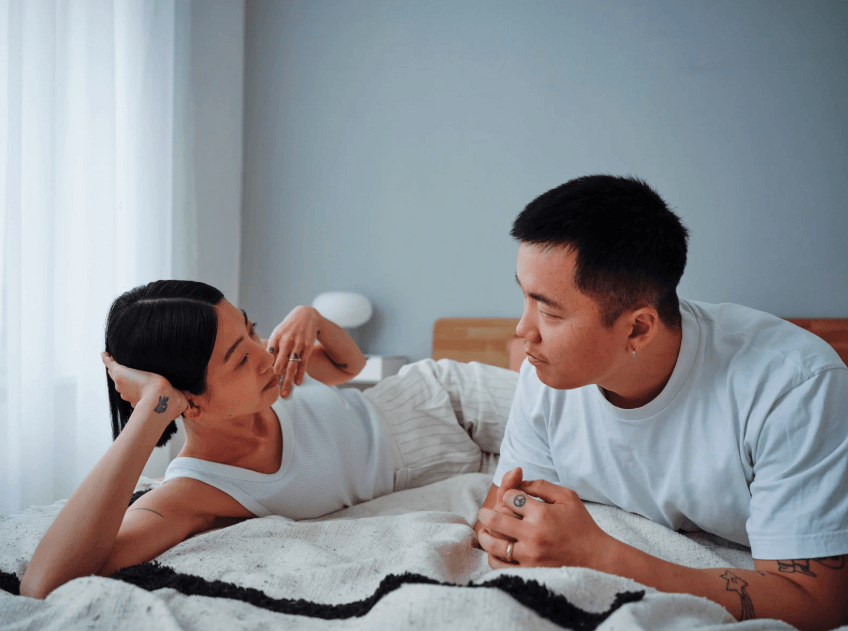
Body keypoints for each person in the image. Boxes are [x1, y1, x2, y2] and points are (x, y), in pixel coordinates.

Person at [474, 175, 848, 631]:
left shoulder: (793, 386)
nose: (522, 330)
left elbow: (818, 601)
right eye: (525, 297)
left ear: (637, 329)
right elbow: (502, 520)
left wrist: (602, 555)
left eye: (549, 311)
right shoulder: (548, 372)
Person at [21, 280, 518, 599]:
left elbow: (352, 365)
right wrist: (151, 407)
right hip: (457, 473)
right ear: (185, 401)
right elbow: (46, 581)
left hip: (443, 401)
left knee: (583, 421)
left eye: (252, 330)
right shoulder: (195, 492)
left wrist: (312, 316)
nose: (263, 355)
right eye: (238, 357)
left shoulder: (274, 377)